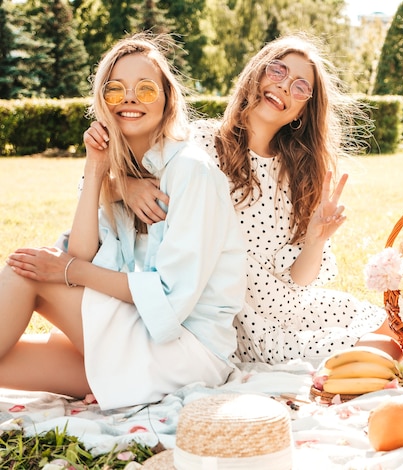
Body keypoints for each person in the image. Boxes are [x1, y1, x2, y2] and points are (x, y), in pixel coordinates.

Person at [119, 34, 402, 368]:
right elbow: (118, 173)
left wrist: (315, 239)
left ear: (301, 112)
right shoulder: (201, 143)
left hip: (295, 305)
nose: (284, 86)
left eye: (300, 87)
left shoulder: (294, 173)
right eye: (278, 71)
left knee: (399, 329)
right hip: (247, 320)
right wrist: (126, 186)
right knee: (386, 350)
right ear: (256, 75)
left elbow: (299, 279)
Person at [0, 33, 246, 410]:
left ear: (168, 100)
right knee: (5, 364)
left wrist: (69, 270)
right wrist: (98, 171)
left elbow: (167, 299)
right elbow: (85, 253)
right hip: (138, 333)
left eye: (146, 89)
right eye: (115, 90)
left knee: (25, 271)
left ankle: (131, 380)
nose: (129, 99)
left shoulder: (192, 172)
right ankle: (122, 381)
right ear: (102, 101)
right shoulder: (123, 173)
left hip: (185, 349)